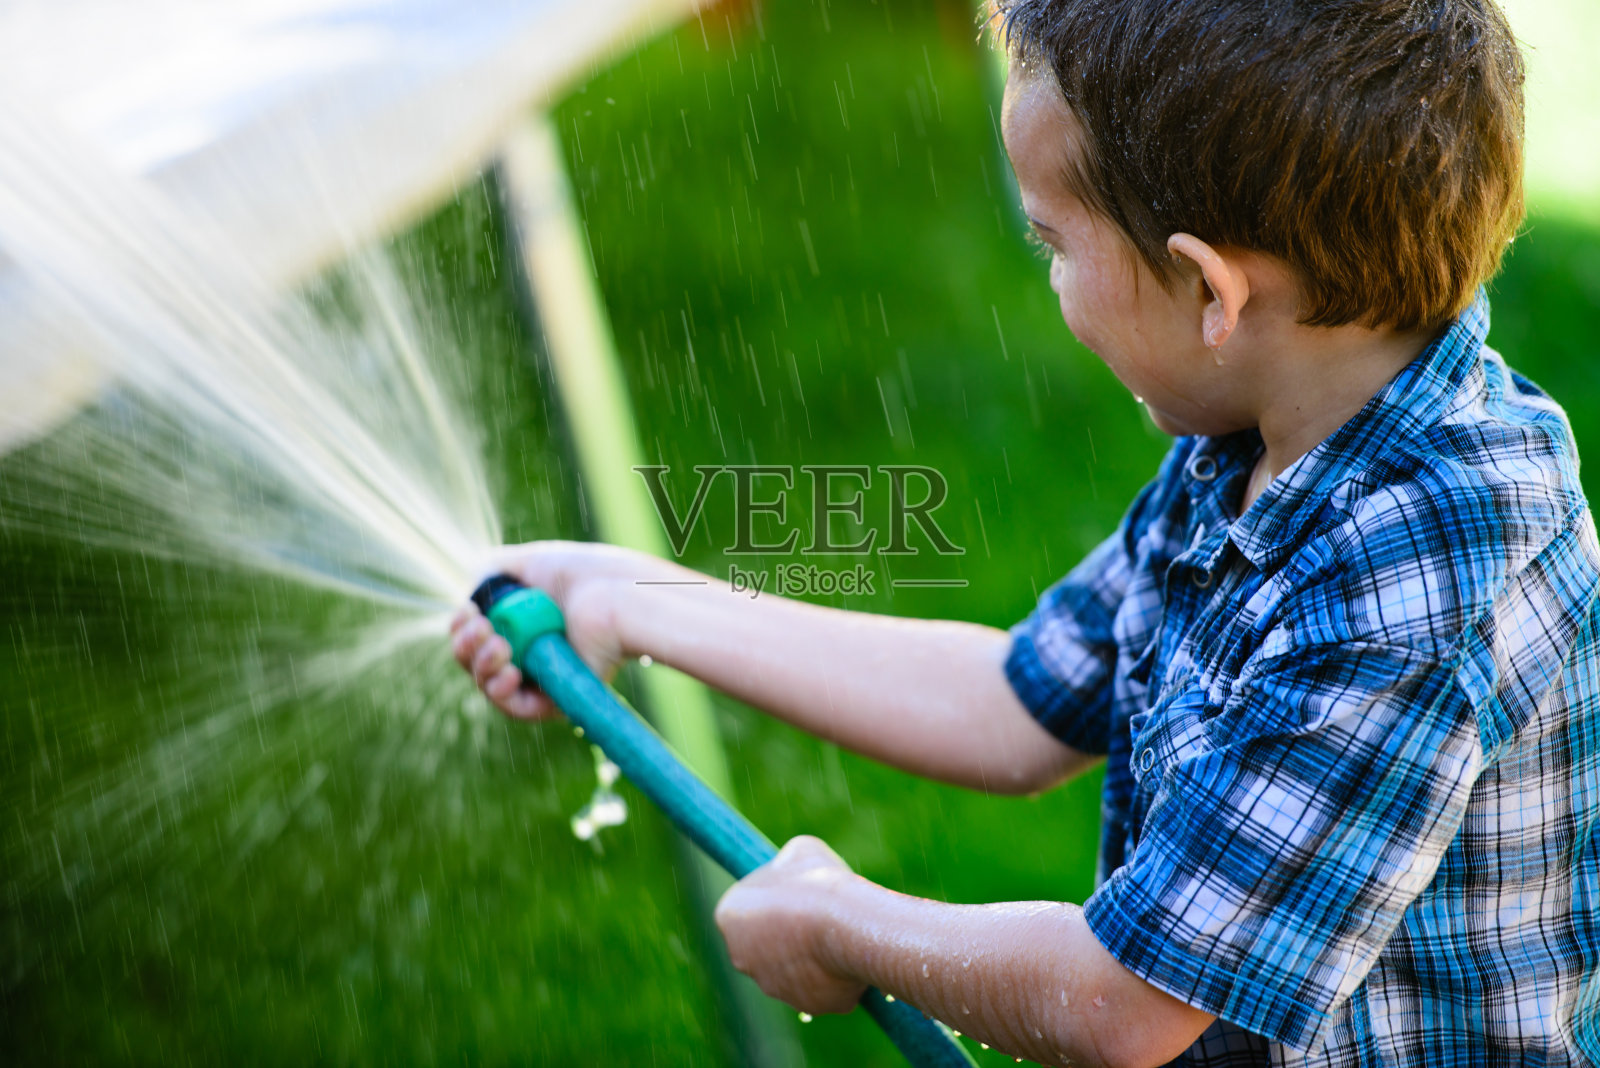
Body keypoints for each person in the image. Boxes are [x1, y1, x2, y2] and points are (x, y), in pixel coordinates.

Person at [451, 1, 1600, 1063]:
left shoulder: (1426, 560)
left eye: (1054, 245)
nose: (1047, 282)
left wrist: (851, 928)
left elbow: (1131, 1001)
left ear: (1211, 294)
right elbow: (1013, 702)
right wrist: (642, 604)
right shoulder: (1280, 431)